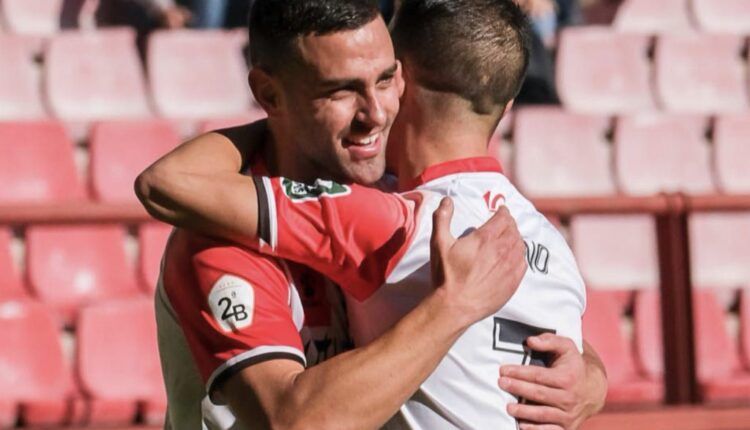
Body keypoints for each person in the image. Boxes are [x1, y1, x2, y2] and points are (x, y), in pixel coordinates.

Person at [137, 0, 607, 428]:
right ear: (270, 94)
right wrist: (451, 309)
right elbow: (289, 421)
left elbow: (513, 309)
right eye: (340, 91)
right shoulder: (220, 240)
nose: (377, 113)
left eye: (386, 80)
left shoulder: (391, 202)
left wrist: (588, 375)